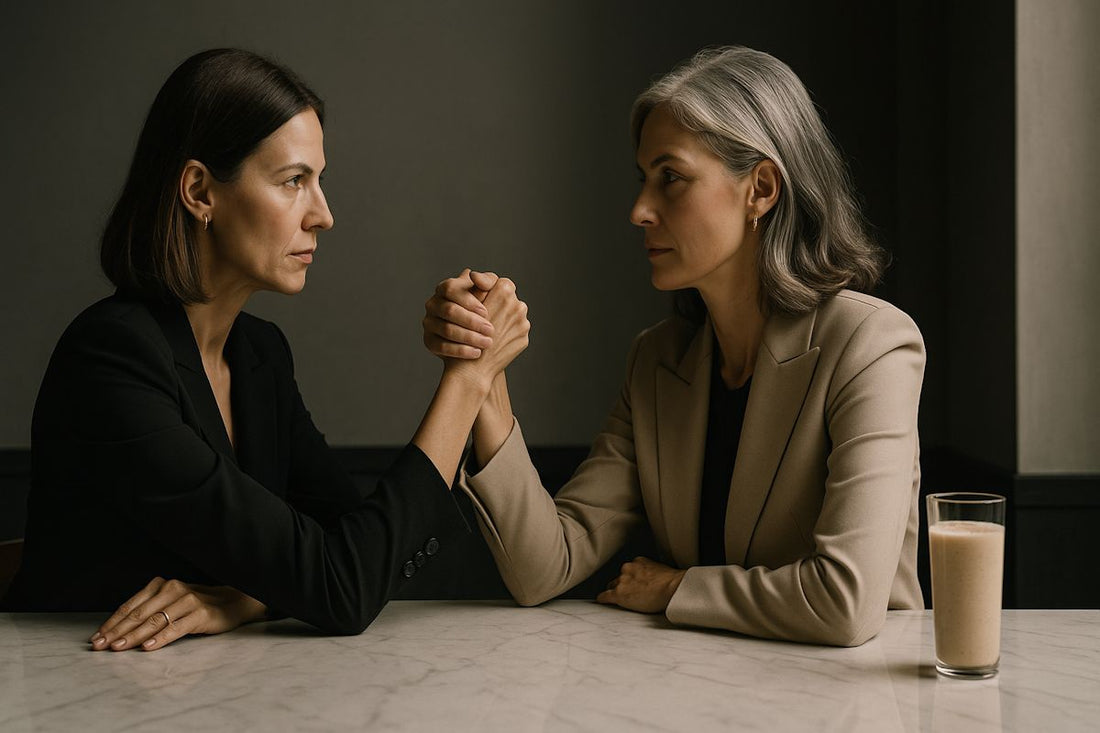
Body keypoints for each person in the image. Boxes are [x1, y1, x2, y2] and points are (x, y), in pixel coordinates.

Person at [0, 49, 529, 652]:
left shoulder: (259, 354)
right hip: (73, 688)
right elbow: (344, 584)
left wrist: (242, 599)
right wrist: (468, 378)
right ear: (200, 191)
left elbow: (358, 546)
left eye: (319, 181)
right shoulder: (112, 358)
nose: (323, 215)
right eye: (293, 181)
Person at [423, 46, 924, 646]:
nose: (639, 210)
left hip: (850, 703)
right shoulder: (658, 360)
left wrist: (674, 588)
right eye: (643, 180)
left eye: (672, 179)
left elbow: (845, 602)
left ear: (760, 189)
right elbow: (543, 567)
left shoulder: (872, 347)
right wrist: (486, 372)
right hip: (697, 695)